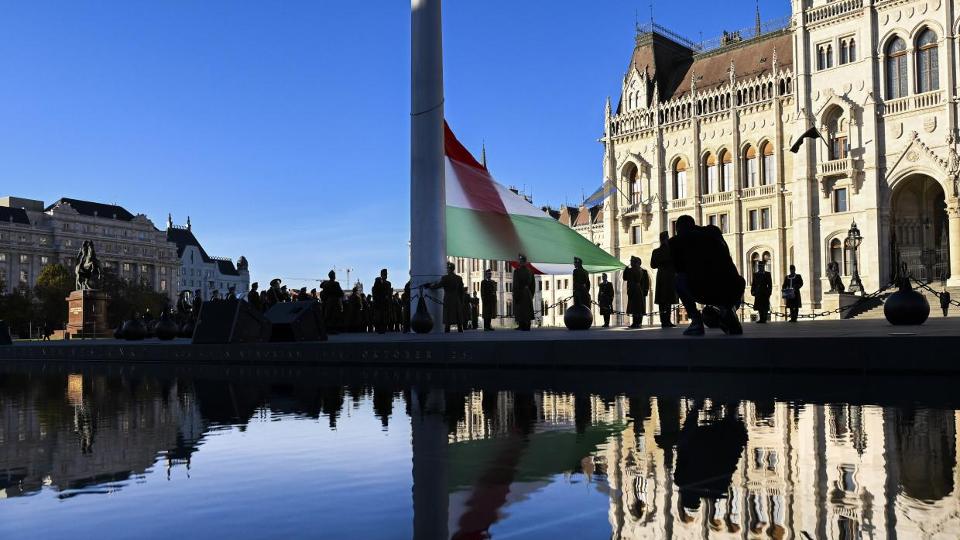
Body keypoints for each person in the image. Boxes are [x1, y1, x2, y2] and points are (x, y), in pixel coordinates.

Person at [669, 215, 745, 336]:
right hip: (734, 286)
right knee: (732, 281)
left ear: (678, 228)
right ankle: (727, 310)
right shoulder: (714, 231)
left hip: (704, 289)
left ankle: (696, 321)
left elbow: (678, 269)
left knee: (679, 279)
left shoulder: (675, 241)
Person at [650, 231, 678, 328]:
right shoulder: (671, 251)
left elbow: (652, 265)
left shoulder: (656, 251)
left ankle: (664, 321)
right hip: (669, 276)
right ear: (666, 239)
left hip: (661, 276)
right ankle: (667, 321)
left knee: (663, 300)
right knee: (668, 299)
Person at [428, 262, 465, 332]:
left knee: (448, 314)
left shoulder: (445, 278)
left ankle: (447, 330)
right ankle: (460, 329)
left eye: (447, 268)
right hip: (456, 299)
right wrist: (461, 301)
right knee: (457, 314)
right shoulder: (459, 278)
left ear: (449, 269)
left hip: (448, 298)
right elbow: (461, 291)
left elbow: (438, 286)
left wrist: (430, 286)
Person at [622, 256, 650, 328]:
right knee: (634, 307)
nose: (631, 262)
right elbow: (625, 278)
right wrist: (625, 270)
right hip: (632, 291)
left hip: (641, 291)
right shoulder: (630, 270)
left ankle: (639, 322)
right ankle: (635, 322)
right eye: (631, 261)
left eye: (632, 261)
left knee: (639, 308)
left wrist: (646, 290)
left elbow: (646, 282)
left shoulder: (643, 271)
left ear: (638, 263)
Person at [512, 254, 536, 331]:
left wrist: (515, 295)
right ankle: (527, 324)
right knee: (527, 309)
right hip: (528, 292)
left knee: (520, 308)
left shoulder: (517, 271)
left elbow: (516, 285)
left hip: (520, 292)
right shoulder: (530, 271)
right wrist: (531, 294)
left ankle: (522, 325)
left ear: (521, 261)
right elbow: (533, 285)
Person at [371, 269, 392, 334]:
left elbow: (389, 293)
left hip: (385, 303)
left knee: (385, 316)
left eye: (386, 274)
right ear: (381, 274)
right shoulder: (377, 281)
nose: (385, 276)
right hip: (379, 302)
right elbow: (374, 292)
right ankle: (379, 328)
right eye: (384, 274)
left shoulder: (388, 283)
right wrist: (376, 300)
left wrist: (388, 298)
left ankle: (383, 329)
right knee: (379, 316)